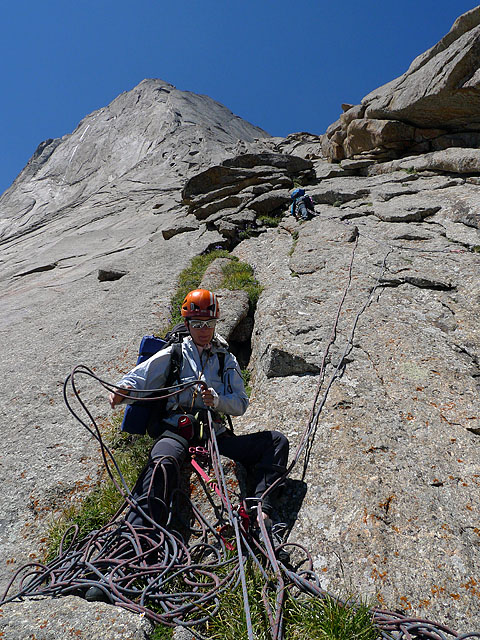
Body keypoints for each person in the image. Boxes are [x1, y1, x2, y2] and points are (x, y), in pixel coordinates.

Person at [109, 288, 289, 528]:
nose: (204, 330)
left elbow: (240, 403)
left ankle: (261, 509)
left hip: (215, 435)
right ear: (187, 323)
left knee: (276, 442)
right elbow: (140, 378)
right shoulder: (174, 353)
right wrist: (123, 391)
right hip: (176, 431)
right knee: (162, 463)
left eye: (209, 323)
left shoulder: (226, 359)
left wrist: (217, 401)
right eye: (197, 324)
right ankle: (137, 531)